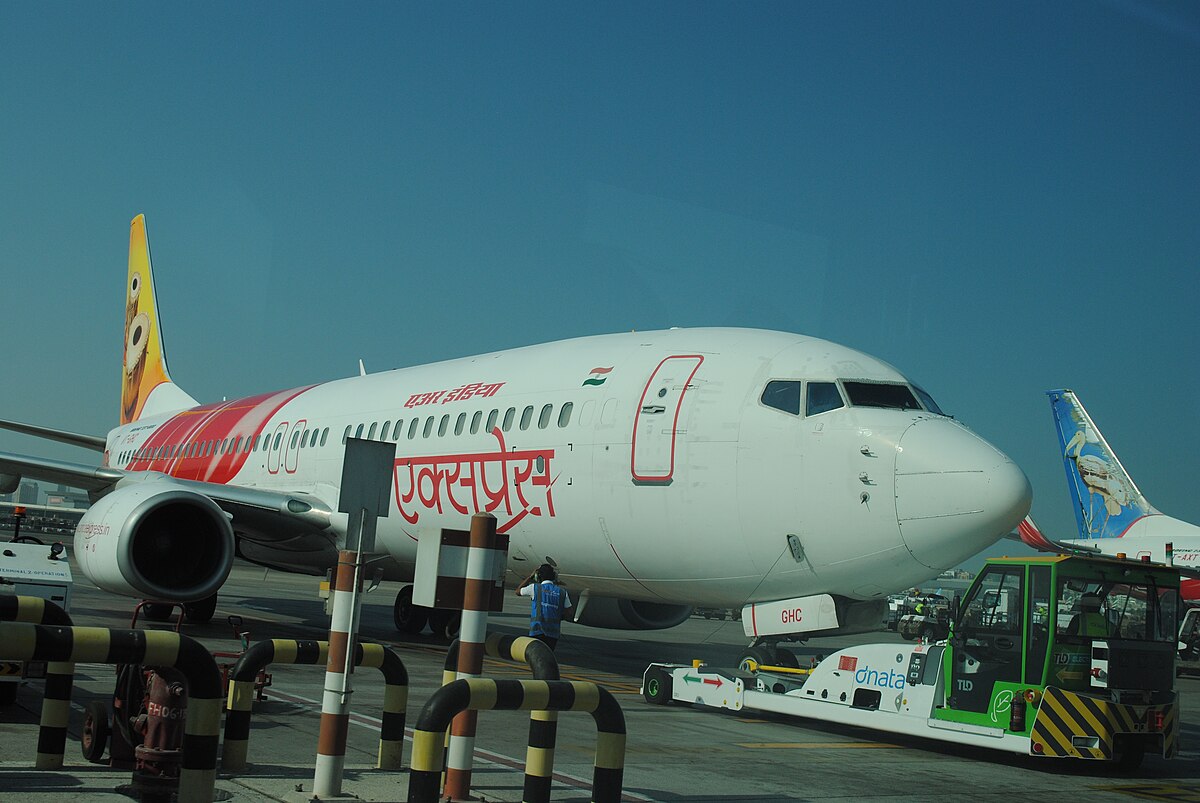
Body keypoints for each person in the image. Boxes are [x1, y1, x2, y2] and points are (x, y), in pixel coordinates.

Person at [516, 563, 573, 650]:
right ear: (554, 576)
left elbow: (517, 591)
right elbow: (569, 613)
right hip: (553, 633)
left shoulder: (534, 588)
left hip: (537, 630)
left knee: (536, 656)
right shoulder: (562, 592)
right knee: (548, 657)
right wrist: (558, 617)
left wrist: (530, 577)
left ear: (538, 576)